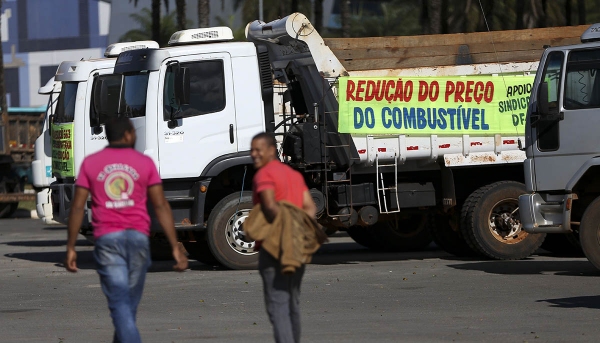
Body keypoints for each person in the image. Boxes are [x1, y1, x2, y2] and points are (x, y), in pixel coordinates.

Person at [65, 117, 188, 343]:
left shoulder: (91, 163)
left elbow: (77, 206)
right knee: (126, 306)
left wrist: (71, 246)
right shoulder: (144, 162)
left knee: (122, 305)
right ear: (129, 134)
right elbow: (161, 205)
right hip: (138, 239)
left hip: (108, 241)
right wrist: (175, 246)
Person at [248, 132, 319, 343]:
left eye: (258, 150)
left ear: (271, 150)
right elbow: (310, 207)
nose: (254, 154)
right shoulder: (294, 175)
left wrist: (285, 230)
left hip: (274, 247)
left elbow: (269, 205)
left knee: (278, 306)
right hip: (296, 248)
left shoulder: (263, 174)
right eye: (252, 149)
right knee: (291, 304)